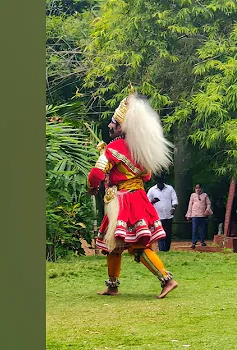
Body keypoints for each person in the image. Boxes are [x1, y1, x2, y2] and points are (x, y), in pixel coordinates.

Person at [87, 90, 179, 299]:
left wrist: (91, 186)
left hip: (124, 202)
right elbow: (146, 177)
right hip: (138, 197)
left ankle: (167, 279)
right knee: (115, 246)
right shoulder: (141, 150)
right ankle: (112, 285)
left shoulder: (114, 148)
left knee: (137, 246)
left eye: (113, 122)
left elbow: (96, 173)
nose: (110, 125)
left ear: (121, 126)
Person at [147, 176, 179, 252]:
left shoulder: (170, 188)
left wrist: (173, 208)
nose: (160, 184)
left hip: (168, 215)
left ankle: (166, 249)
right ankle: (161, 249)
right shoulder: (152, 190)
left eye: (161, 182)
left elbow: (174, 199)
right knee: (160, 232)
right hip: (158, 215)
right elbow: (147, 202)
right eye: (158, 182)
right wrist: (153, 201)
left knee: (168, 233)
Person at [185, 184, 212, 248]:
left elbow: (208, 203)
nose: (197, 189)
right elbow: (190, 205)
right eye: (196, 188)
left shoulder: (205, 195)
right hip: (195, 214)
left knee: (202, 229)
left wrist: (207, 210)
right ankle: (194, 242)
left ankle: (202, 241)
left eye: (199, 188)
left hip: (203, 214)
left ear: (201, 189)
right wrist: (189, 214)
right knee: (194, 229)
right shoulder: (193, 195)